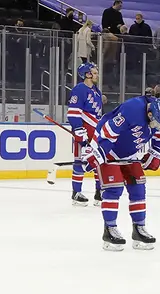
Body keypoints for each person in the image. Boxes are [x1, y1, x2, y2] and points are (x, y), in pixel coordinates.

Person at [81, 96, 160, 251]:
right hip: (108, 147)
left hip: (129, 152)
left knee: (138, 187)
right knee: (114, 187)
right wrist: (98, 153)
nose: (158, 126)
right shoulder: (132, 109)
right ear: (150, 113)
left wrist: (155, 154)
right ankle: (109, 230)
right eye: (157, 122)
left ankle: (139, 229)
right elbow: (108, 131)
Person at [67, 63, 103, 207]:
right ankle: (76, 193)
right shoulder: (79, 90)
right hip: (84, 132)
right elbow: (73, 113)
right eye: (94, 72)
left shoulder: (96, 90)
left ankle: (99, 192)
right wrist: (79, 131)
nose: (97, 75)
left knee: (98, 160)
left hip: (96, 132)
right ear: (87, 74)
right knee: (80, 162)